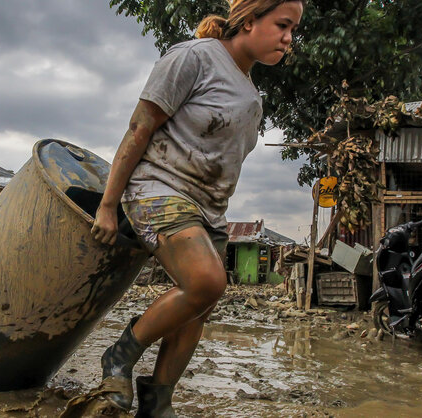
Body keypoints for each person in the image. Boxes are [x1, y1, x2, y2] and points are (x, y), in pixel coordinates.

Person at [89, 0, 304, 415]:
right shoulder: (193, 57)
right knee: (207, 281)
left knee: (198, 310)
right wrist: (108, 205)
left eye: (293, 29)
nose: (288, 38)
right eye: (282, 25)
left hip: (210, 211)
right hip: (157, 189)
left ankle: (158, 403)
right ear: (248, 19)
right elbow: (140, 127)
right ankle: (119, 355)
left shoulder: (252, 97)